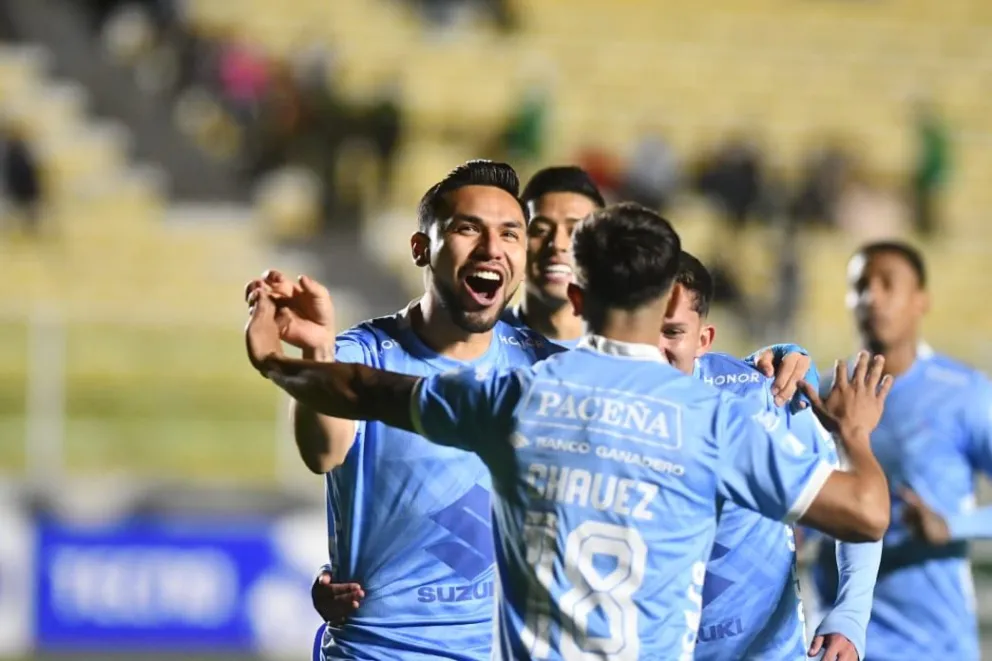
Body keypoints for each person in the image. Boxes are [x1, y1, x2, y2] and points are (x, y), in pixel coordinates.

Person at [245, 202, 893, 660]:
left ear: (578, 301)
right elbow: (866, 514)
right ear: (666, 301)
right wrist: (853, 434)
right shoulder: (714, 419)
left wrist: (278, 360)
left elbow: (361, 387)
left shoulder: (514, 399)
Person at [246, 160, 561, 660]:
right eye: (467, 228)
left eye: (510, 234)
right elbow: (322, 454)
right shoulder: (361, 356)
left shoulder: (543, 364)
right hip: (382, 651)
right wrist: (317, 355)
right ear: (421, 248)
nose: (491, 248)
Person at [661, 252, 881, 661]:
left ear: (703, 340)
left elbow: (857, 506)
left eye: (672, 332)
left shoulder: (761, 396)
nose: (656, 348)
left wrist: (850, 614)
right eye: (644, 331)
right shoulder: (593, 408)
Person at [810, 241, 992, 661]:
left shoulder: (964, 394)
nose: (872, 297)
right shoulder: (824, 395)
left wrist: (951, 526)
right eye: (861, 286)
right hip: (839, 641)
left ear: (921, 300)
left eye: (887, 284)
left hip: (936, 646)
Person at [501, 166, 605, 347]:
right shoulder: (475, 338)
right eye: (541, 230)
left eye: (576, 231)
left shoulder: (623, 353)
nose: (557, 244)